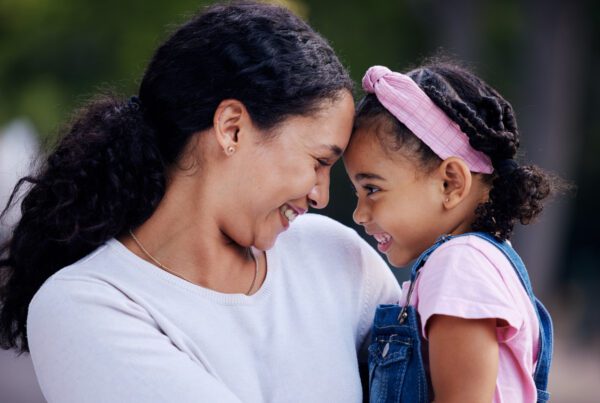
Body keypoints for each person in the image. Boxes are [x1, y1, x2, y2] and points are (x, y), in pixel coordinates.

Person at [0, 3, 401, 402]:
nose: (321, 194)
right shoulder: (85, 305)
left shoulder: (338, 259)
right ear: (232, 128)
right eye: (318, 162)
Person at [344, 61, 564, 402]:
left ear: (451, 183)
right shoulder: (481, 261)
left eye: (371, 189)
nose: (359, 214)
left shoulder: (458, 266)